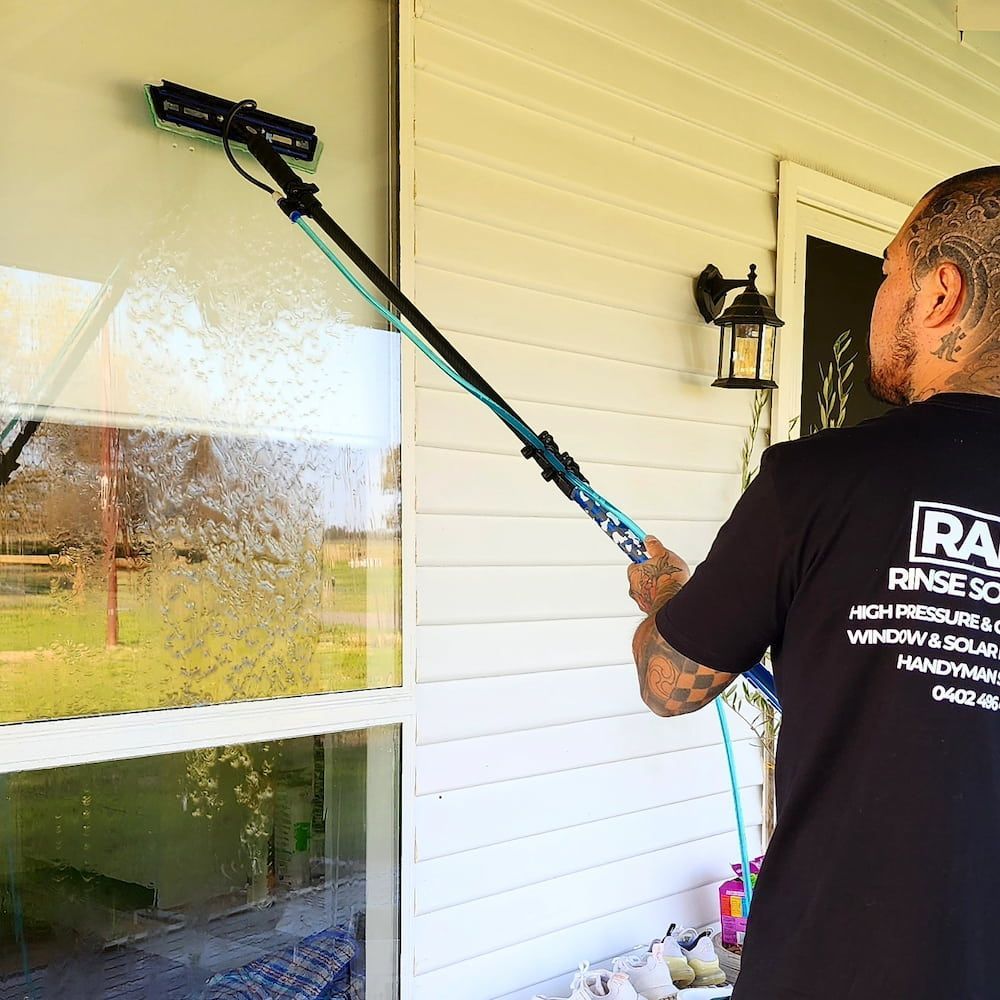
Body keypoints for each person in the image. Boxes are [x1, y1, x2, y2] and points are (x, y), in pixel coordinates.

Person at [627, 166, 1000, 1000]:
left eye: (886, 274)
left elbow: (669, 684)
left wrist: (670, 601)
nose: (878, 299)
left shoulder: (816, 482)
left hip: (832, 965)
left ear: (942, 293)